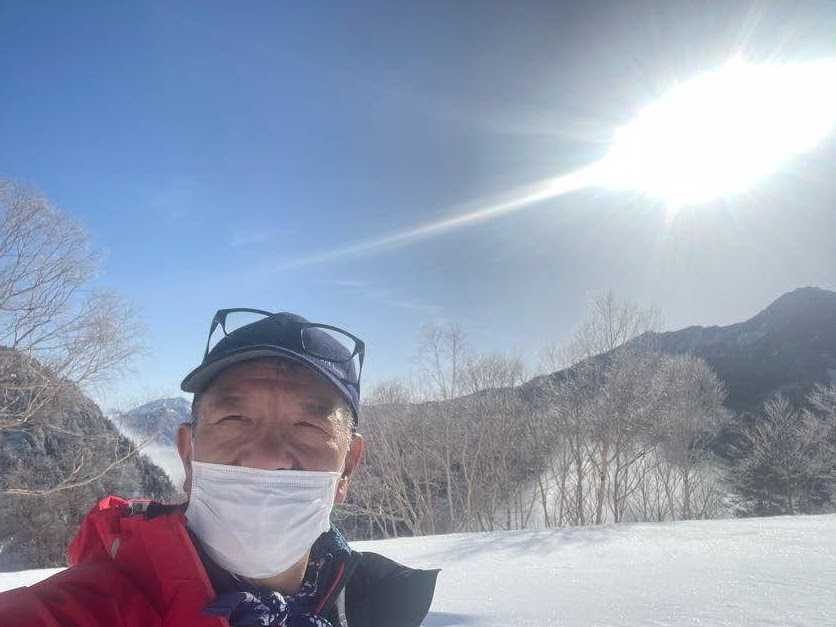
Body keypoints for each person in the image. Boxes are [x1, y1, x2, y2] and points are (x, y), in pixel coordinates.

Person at [0, 309, 439, 626]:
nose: (266, 456)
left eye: (307, 425)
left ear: (348, 467)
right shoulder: (82, 609)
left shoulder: (379, 603)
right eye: (234, 419)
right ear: (188, 454)